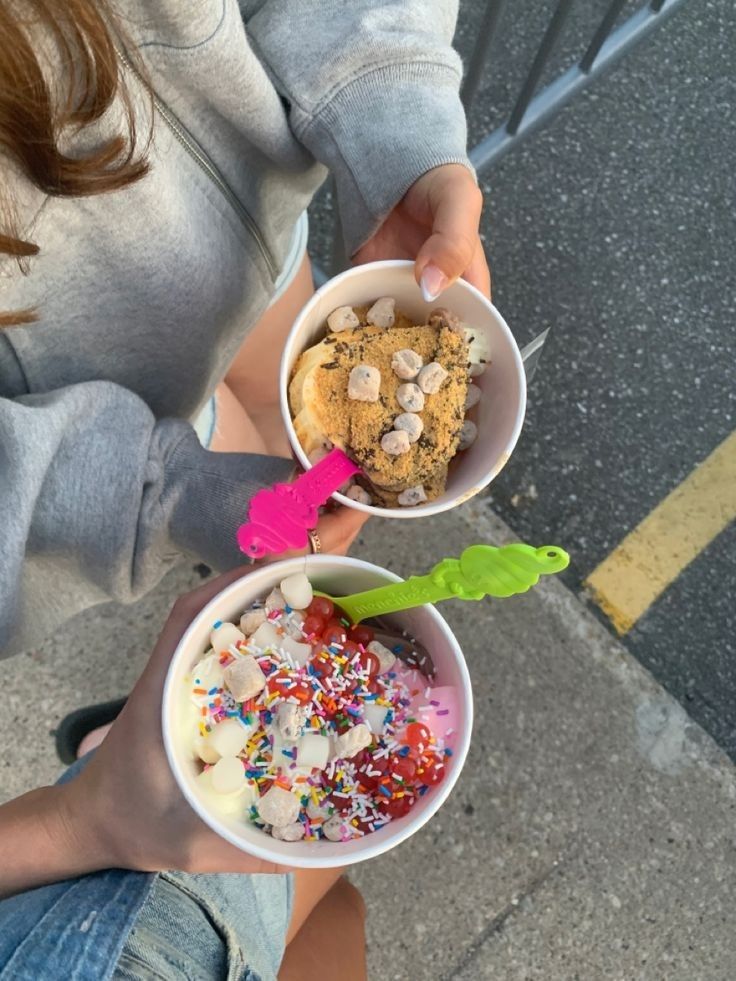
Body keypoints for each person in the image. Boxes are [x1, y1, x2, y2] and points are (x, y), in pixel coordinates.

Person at [0, 0, 491, 976]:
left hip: (255, 249)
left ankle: (119, 739)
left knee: (287, 482)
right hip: (82, 396)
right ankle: (121, 740)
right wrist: (164, 492)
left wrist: (396, 121)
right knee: (330, 902)